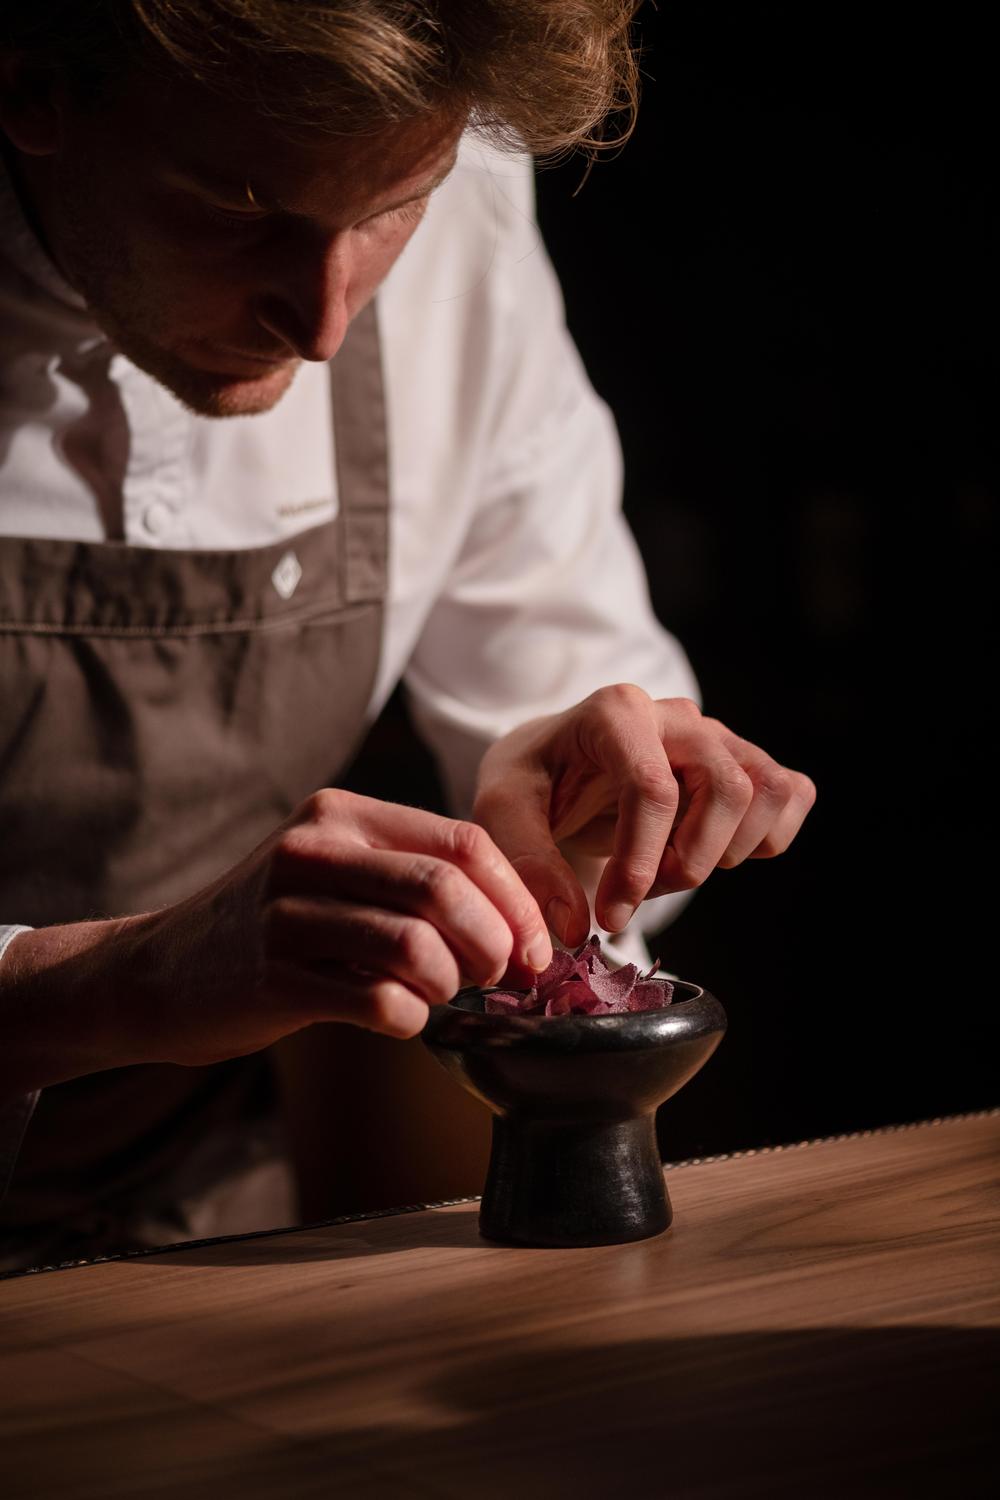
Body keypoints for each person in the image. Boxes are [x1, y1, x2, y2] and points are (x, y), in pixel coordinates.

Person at [0, 2, 815, 1268]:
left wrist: (579, 819)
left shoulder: (464, 199)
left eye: (391, 208)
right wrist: (104, 983)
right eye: (238, 205)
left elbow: (564, 672)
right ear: (32, 82)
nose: (323, 322)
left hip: (207, 1261)